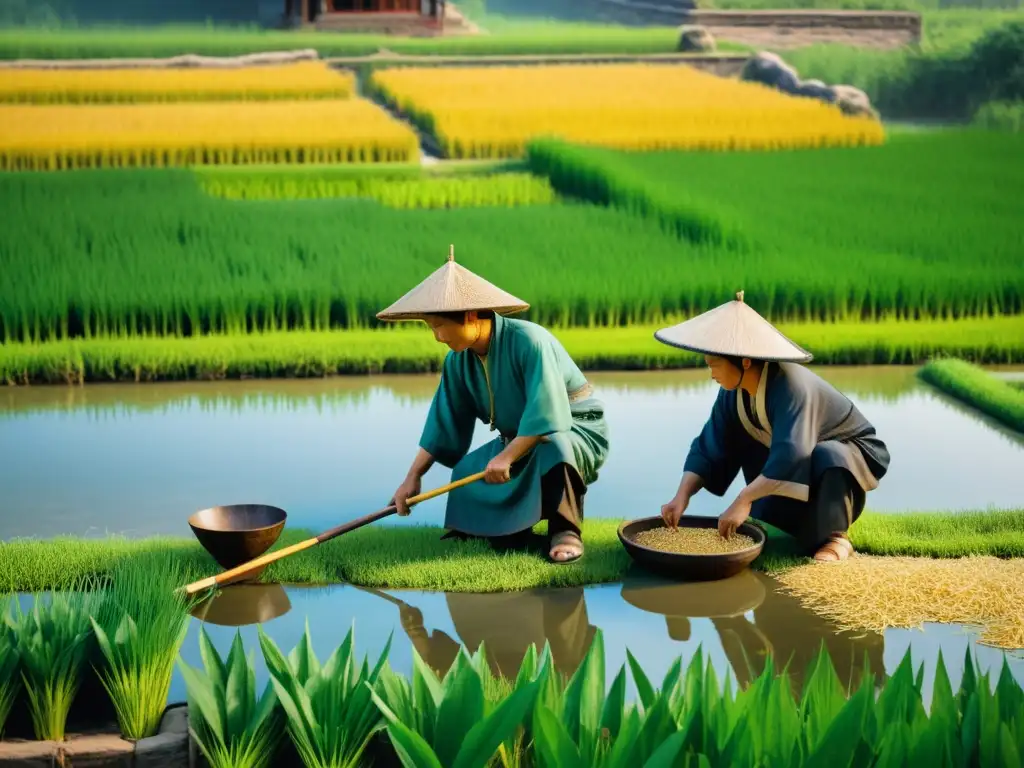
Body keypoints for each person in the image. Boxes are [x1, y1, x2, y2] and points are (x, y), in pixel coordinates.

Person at [378, 245, 610, 564]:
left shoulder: (530, 341)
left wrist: (508, 455)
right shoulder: (457, 361)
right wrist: (412, 477)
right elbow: (443, 423)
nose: (437, 337)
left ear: (471, 316)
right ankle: (494, 527)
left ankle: (565, 530)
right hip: (517, 437)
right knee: (466, 469)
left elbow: (549, 415)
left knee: (555, 447)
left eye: (440, 326)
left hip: (573, 427)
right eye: (431, 327)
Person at [656, 291, 890, 562]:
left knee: (829, 454)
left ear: (744, 361)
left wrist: (743, 499)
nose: (711, 374)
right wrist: (681, 497)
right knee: (742, 439)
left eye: (715, 365)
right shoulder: (732, 393)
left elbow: (792, 453)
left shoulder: (792, 386)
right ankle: (786, 525)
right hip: (797, 466)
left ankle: (836, 538)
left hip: (845, 463)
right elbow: (710, 445)